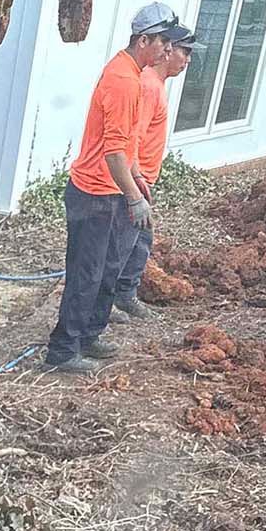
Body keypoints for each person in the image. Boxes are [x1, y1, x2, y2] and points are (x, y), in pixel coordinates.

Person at [44, 1, 177, 375]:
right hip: (94, 195)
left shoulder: (134, 76)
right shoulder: (122, 81)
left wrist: (136, 180)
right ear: (143, 39)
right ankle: (62, 351)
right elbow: (113, 151)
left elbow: (129, 145)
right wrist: (134, 197)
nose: (168, 51)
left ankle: (88, 335)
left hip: (112, 191)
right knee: (87, 274)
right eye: (163, 42)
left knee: (107, 269)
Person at [113, 26, 196, 318]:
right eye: (185, 52)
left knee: (138, 240)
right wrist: (136, 181)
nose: (187, 61)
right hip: (136, 180)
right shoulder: (148, 85)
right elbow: (130, 137)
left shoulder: (155, 85)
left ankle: (123, 294)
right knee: (123, 243)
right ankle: (109, 299)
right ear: (169, 50)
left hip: (143, 178)